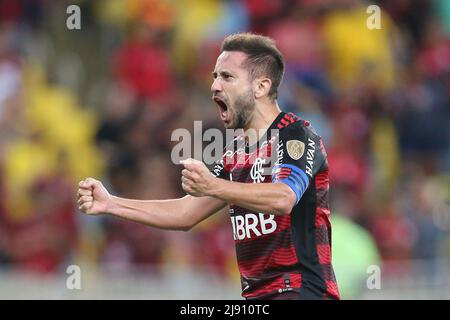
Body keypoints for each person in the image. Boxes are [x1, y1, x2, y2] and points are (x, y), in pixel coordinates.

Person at [77, 33, 340, 300]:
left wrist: (214, 185)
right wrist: (111, 204)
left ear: (260, 87)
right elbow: (185, 213)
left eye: (227, 77)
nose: (214, 85)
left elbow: (284, 198)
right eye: (215, 76)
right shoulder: (235, 152)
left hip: (301, 290)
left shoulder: (296, 135)